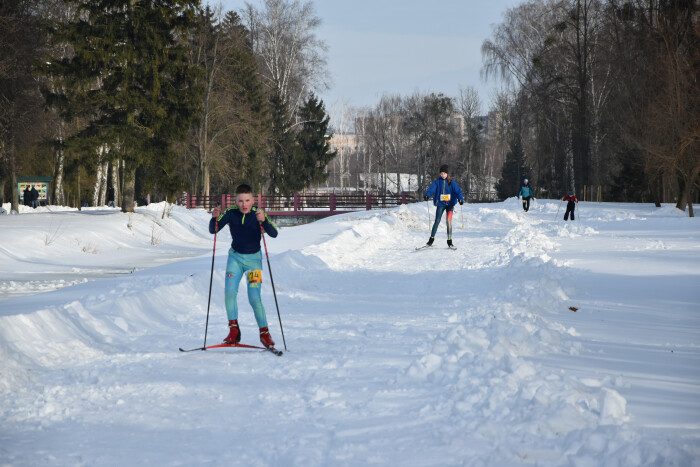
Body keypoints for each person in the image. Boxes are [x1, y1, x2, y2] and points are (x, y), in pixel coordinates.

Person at [209, 184, 279, 348]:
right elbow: (214, 230)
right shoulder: (231, 212)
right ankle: (234, 331)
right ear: (236, 201)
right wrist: (214, 217)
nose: (244, 204)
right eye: (240, 201)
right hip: (235, 259)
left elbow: (274, 233)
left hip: (254, 261)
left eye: (247, 200)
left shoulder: (258, 214)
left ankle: (264, 334)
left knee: (254, 298)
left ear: (253, 200)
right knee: (229, 292)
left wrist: (265, 221)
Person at [423, 164, 464, 248]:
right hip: (440, 204)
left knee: (448, 222)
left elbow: (458, 191)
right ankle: (431, 240)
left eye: (444, 173)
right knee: (437, 221)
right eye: (441, 173)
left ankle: (449, 241)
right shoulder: (437, 182)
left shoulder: (452, 183)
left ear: (447, 174)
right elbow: (431, 189)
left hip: (450, 205)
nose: (443, 175)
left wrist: (460, 199)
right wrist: (427, 195)